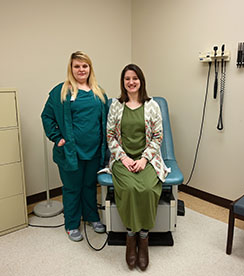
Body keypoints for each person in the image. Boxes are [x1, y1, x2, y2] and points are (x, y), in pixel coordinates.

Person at [106, 64, 169, 270]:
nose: (131, 82)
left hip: (147, 159)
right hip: (122, 158)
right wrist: (124, 159)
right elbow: (110, 137)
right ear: (123, 82)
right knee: (130, 188)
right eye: (127, 79)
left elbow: (158, 136)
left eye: (135, 78)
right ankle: (130, 237)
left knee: (149, 188)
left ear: (141, 81)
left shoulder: (152, 106)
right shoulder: (115, 106)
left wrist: (144, 159)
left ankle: (144, 239)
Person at [41, 51, 108, 242]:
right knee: (72, 188)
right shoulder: (60, 92)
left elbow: (105, 120)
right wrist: (57, 137)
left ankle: (91, 217)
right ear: (71, 68)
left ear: (90, 68)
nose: (81, 70)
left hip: (94, 151)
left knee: (89, 186)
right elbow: (46, 116)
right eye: (77, 66)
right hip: (70, 151)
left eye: (84, 66)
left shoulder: (99, 92)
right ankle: (71, 224)